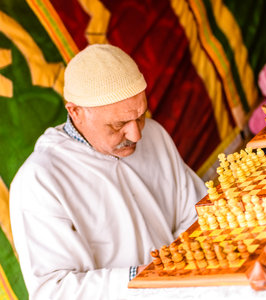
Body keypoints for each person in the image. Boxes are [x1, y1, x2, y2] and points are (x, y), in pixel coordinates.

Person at [9, 44, 206, 299]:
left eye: (141, 116)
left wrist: (184, 267)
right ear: (76, 112)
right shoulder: (40, 182)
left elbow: (197, 214)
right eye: (118, 125)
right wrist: (146, 277)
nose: (136, 134)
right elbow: (54, 290)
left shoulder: (153, 133)